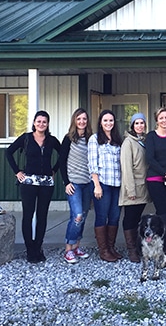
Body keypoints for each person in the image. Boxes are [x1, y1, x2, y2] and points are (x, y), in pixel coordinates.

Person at [5, 110, 60, 263]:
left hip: (46, 183)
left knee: (42, 216)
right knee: (28, 215)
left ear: (48, 124)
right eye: (38, 121)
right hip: (28, 182)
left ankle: (38, 247)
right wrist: (17, 172)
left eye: (44, 121)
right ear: (34, 123)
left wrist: (54, 170)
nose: (41, 124)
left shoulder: (52, 140)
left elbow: (63, 155)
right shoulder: (26, 138)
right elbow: (8, 152)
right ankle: (30, 250)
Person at [59, 108, 93, 264]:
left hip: (88, 183)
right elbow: (62, 162)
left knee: (83, 215)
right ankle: (68, 249)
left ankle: (77, 247)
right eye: (79, 119)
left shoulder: (91, 139)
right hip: (74, 184)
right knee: (77, 215)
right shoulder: (68, 139)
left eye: (84, 119)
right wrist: (66, 182)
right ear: (74, 120)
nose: (82, 122)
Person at [89, 109, 123, 262]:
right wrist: (96, 185)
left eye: (111, 120)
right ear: (100, 123)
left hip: (117, 184)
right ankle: (103, 250)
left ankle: (111, 247)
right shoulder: (94, 139)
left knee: (115, 216)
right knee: (102, 216)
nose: (108, 123)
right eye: (105, 121)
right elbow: (92, 164)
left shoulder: (117, 140)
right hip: (102, 184)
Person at [119, 112, 151, 263]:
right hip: (132, 188)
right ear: (132, 125)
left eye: (142, 123)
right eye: (137, 123)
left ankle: (138, 247)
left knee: (137, 218)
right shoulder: (128, 143)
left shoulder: (143, 141)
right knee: (130, 219)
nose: (140, 126)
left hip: (143, 187)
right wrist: (130, 190)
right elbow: (126, 168)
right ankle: (131, 249)